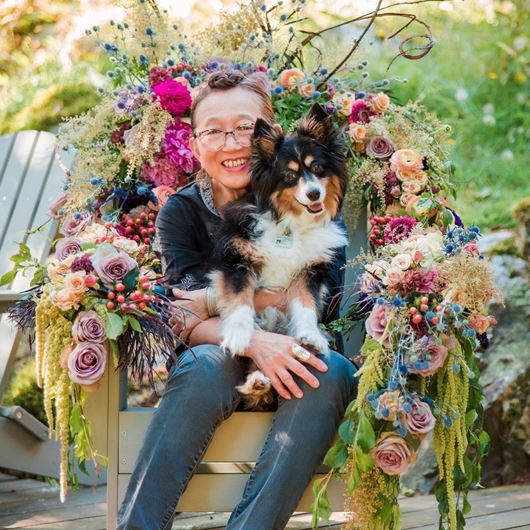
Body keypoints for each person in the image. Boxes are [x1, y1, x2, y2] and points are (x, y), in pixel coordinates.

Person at [116, 69, 358, 530]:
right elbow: (178, 310)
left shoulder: (309, 194)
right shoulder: (181, 211)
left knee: (330, 371)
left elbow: (318, 296)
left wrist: (251, 314)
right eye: (214, 131)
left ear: (268, 134)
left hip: (298, 360)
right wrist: (254, 341)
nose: (232, 144)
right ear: (194, 142)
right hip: (216, 370)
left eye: (244, 128)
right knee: (208, 362)